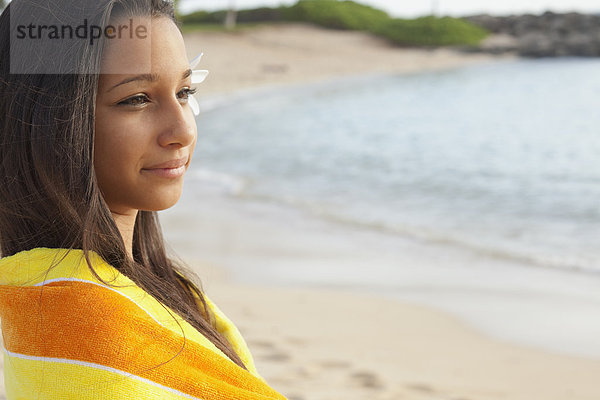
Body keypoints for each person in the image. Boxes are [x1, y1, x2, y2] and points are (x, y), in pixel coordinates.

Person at [0, 0, 286, 398]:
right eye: (137, 99)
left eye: (185, 92)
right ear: (49, 122)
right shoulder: (92, 330)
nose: (183, 130)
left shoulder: (46, 295)